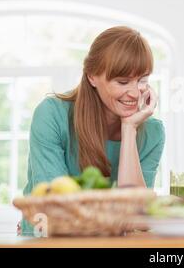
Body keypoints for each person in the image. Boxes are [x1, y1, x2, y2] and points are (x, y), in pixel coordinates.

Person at [20, 26, 165, 235]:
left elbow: (138, 217)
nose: (135, 92)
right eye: (122, 81)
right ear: (92, 76)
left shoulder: (152, 133)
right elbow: (55, 207)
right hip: (47, 240)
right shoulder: (52, 115)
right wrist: (119, 218)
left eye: (142, 79)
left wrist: (129, 128)